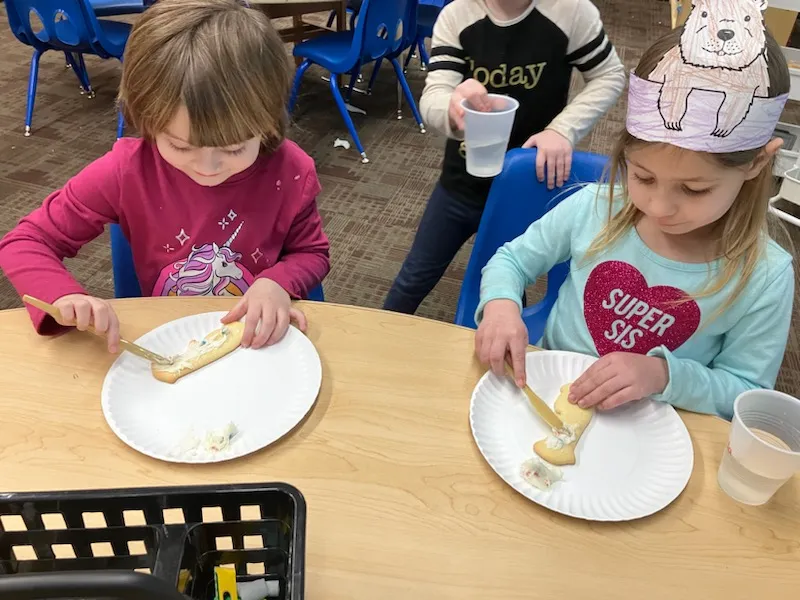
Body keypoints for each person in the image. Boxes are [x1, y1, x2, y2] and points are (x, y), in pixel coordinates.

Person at [474, 0, 794, 420]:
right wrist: (500, 303)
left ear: (756, 163)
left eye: (694, 189)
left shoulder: (765, 276)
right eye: (642, 177)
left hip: (656, 436)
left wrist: (663, 374)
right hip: (550, 397)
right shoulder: (596, 205)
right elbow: (512, 260)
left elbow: (746, 393)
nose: (659, 207)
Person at [0, 0, 330, 352]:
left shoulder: (290, 171)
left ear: (268, 124)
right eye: (180, 146)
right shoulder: (126, 170)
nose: (208, 167)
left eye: (234, 149)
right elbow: (26, 242)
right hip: (170, 339)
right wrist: (63, 294)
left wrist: (278, 282)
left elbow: (312, 253)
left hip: (259, 339)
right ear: (147, 123)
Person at [383, 0, 626, 315]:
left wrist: (563, 129)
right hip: (461, 183)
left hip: (524, 186)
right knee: (415, 276)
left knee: (505, 285)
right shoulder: (459, 14)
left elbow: (609, 75)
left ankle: (502, 357)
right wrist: (454, 109)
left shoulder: (571, 11)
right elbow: (434, 97)